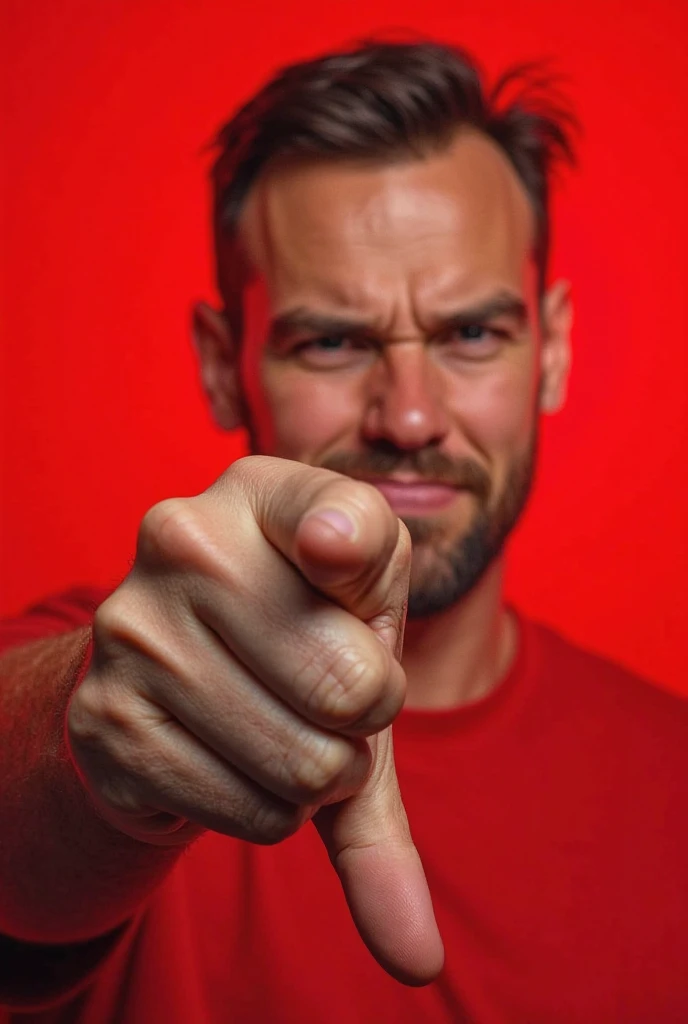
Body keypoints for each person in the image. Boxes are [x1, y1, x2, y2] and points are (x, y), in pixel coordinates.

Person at [1, 39, 686, 1024]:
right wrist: (101, 744)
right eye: (331, 341)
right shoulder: (119, 669)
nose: (407, 418)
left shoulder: (674, 781)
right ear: (222, 361)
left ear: (553, 347)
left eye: (470, 335)